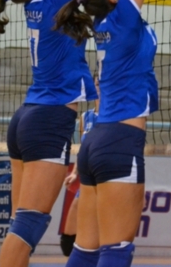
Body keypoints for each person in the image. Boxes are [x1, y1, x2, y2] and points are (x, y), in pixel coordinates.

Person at [0, 0, 119, 267]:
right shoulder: (54, 2)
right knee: (28, 225)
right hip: (47, 120)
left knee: (19, 222)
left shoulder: (40, 4)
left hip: (27, 118)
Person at [54, 0, 159, 267]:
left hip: (95, 143)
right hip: (119, 140)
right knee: (117, 250)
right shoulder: (125, 17)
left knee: (86, 249)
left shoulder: (99, 16)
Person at [61, 73, 100, 257]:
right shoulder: (86, 117)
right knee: (67, 242)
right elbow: (83, 149)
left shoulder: (116, 117)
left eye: (103, 82)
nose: (99, 86)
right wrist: (75, 172)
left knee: (98, 239)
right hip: (87, 181)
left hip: (106, 180)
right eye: (97, 83)